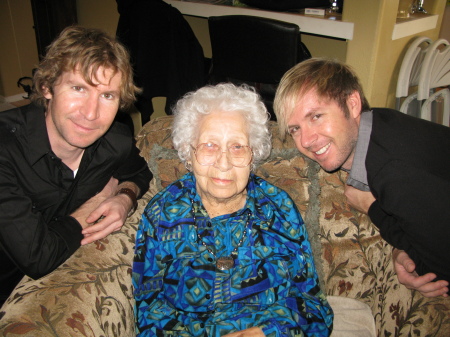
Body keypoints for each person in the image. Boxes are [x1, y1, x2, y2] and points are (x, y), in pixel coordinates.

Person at [133, 83, 333, 336]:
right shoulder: (162, 213)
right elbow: (148, 309)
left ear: (253, 154)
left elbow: (313, 308)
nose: (224, 162)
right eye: (209, 145)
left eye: (237, 146)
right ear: (188, 152)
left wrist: (268, 333)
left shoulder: (279, 208)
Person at [0, 26, 152, 306]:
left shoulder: (115, 141)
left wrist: (124, 197)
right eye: (78, 88)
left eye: (107, 95)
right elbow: (38, 257)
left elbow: (140, 173)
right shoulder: (5, 152)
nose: (91, 113)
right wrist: (100, 199)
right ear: (47, 87)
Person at [273, 57, 450, 298]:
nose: (306, 140)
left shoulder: (393, 171)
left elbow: (439, 272)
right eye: (295, 129)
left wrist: (373, 208)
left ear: (353, 104)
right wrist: (401, 249)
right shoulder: (381, 123)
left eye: (316, 116)